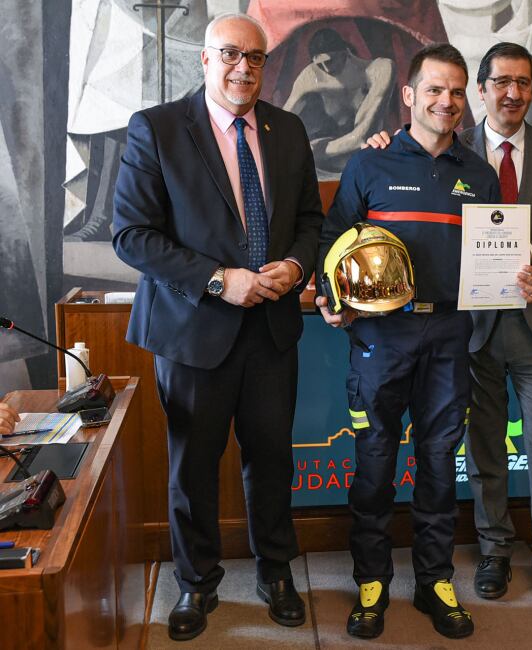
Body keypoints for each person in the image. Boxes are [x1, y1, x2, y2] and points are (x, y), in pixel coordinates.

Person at [363, 42, 532, 621]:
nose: (512, 93)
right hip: (468, 332)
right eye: (501, 82)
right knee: (484, 452)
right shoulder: (453, 145)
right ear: (481, 89)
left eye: (524, 83)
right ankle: (494, 550)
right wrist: (384, 141)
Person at [112, 13, 324, 641]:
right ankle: (196, 583)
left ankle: (276, 574)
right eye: (231, 54)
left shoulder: (287, 130)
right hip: (193, 329)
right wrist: (217, 278)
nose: (244, 67)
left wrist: (294, 263)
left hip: (272, 329)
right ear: (204, 60)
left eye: (256, 57)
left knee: (272, 460)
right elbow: (132, 234)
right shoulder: (157, 128)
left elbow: (311, 221)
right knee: (193, 467)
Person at [316, 43, 500, 640]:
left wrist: (515, 269)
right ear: (409, 95)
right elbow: (333, 239)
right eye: (434, 90)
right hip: (381, 335)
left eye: (455, 92)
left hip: (450, 332)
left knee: (440, 463)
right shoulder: (371, 165)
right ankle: (372, 582)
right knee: (373, 461)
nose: (445, 102)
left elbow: (493, 256)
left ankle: (434, 580)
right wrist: (331, 294)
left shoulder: (480, 174)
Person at [283, 28, 395, 177]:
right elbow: (281, 123)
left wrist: (313, 151)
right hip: (325, 165)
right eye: (319, 65)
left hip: (369, 159)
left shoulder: (379, 70)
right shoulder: (311, 76)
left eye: (329, 61)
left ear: (345, 52)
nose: (325, 69)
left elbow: (362, 138)